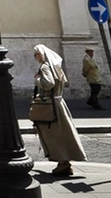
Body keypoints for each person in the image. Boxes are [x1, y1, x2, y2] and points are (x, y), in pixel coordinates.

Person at [31, 44, 86, 177]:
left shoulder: (45, 66)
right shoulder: (55, 66)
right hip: (58, 103)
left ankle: (63, 163)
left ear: (42, 55)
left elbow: (49, 83)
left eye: (36, 54)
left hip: (50, 106)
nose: (35, 57)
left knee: (53, 134)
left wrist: (37, 79)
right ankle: (64, 162)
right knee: (63, 133)